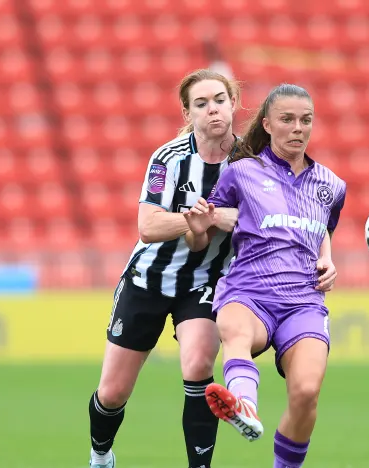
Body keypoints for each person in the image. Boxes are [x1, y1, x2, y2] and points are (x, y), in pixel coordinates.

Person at [183, 83, 346, 468]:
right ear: (268, 125)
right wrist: (196, 227)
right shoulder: (242, 173)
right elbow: (199, 238)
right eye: (287, 120)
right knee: (237, 335)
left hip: (303, 300)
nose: (298, 129)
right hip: (249, 291)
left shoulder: (332, 186)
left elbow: (322, 230)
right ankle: (244, 407)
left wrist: (329, 259)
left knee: (306, 392)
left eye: (305, 121)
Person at [87, 69, 241, 468]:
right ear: (188, 113)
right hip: (148, 280)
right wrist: (205, 219)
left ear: (234, 103)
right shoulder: (168, 158)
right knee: (113, 393)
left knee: (198, 365)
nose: (213, 110)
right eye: (201, 104)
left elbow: (265, 220)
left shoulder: (250, 162)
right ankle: (100, 455)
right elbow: (148, 226)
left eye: (219, 100)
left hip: (206, 281)